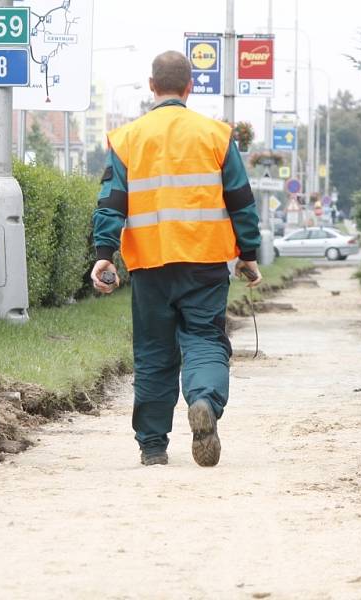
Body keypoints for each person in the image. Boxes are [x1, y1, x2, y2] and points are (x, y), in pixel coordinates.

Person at [90, 50, 263, 468]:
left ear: (152, 86)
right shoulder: (217, 136)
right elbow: (241, 199)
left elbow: (111, 201)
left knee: (153, 352)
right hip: (204, 262)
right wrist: (248, 254)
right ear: (190, 88)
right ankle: (203, 399)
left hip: (150, 266)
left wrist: (104, 254)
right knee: (204, 340)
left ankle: (153, 446)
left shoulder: (128, 138)